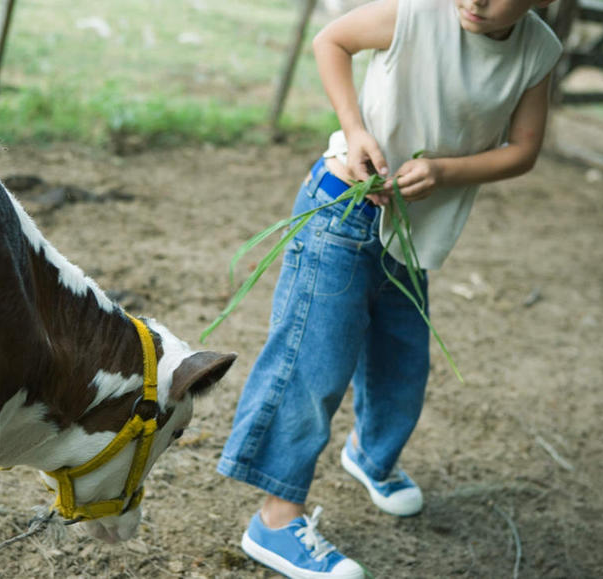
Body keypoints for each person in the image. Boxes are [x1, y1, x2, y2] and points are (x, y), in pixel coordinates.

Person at [217, 0, 562, 577]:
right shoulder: (417, 13)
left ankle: (370, 455)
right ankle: (274, 518)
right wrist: (354, 130)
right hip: (342, 212)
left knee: (402, 361)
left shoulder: (537, 50)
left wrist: (447, 171)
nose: (475, 1)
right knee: (314, 363)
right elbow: (331, 40)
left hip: (414, 231)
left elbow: (523, 150)